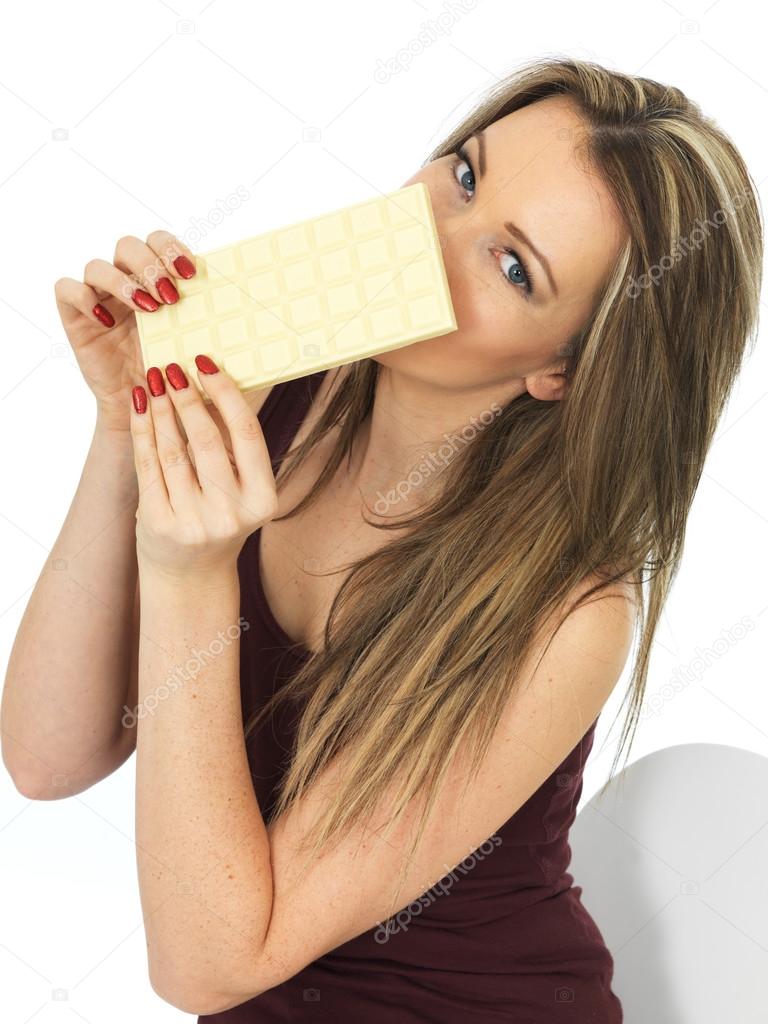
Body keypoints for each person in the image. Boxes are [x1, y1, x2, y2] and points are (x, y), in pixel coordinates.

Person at [2, 57, 762, 1021]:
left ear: (561, 373)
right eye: (465, 176)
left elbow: (207, 963)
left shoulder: (572, 614)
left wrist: (191, 578)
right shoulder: (271, 390)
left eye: (513, 265)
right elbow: (47, 754)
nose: (434, 240)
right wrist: (127, 426)